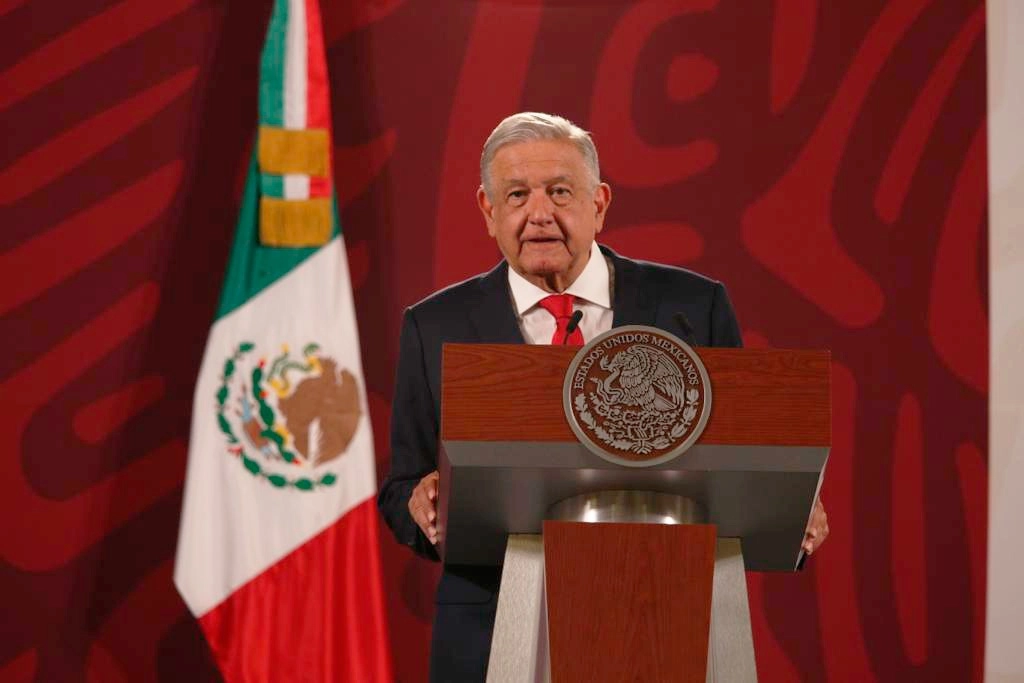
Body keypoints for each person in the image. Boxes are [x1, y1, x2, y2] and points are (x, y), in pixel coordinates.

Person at [377, 112, 829, 681]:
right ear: (489, 212)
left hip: (666, 616)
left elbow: (741, 453)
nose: (538, 213)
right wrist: (422, 504)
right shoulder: (435, 325)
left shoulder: (692, 306)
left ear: (600, 203)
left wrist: (794, 506)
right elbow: (400, 488)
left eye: (560, 192)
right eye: (516, 195)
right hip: (496, 629)